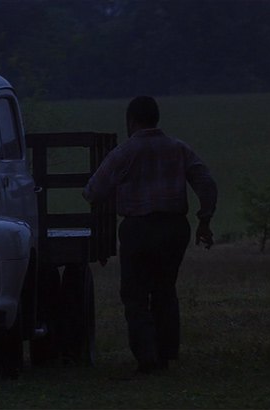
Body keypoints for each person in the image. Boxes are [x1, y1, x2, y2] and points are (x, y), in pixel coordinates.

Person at [83, 96, 217, 375]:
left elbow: (93, 191)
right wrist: (204, 220)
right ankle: (166, 354)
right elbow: (206, 183)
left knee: (134, 295)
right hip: (173, 228)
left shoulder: (125, 152)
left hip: (138, 230)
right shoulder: (179, 149)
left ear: (131, 121)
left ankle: (147, 357)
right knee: (165, 290)